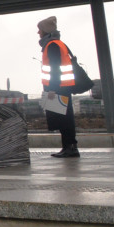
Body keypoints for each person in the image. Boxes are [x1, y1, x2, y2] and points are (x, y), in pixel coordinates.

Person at [38, 15, 80, 158]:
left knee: (64, 119)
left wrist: (52, 89)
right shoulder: (56, 43)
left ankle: (70, 147)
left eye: (40, 29)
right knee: (63, 118)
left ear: (46, 31)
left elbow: (55, 68)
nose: (38, 32)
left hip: (58, 87)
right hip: (62, 86)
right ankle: (68, 147)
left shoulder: (52, 45)